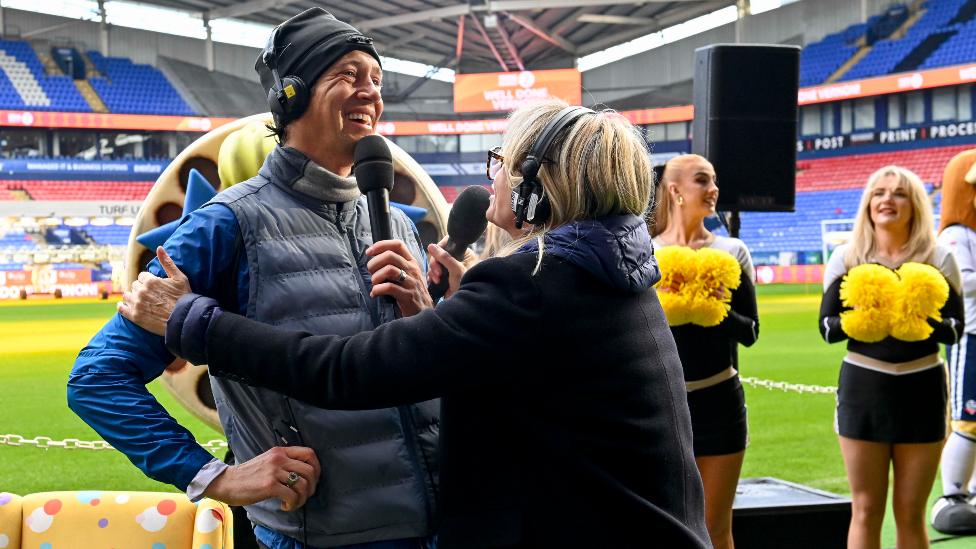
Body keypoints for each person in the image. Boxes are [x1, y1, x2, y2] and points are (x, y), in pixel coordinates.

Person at [119, 99, 712, 548]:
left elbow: (350, 371)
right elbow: (524, 383)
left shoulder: (528, 283)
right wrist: (438, 319)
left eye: (502, 164)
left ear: (539, 185)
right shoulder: (612, 268)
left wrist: (191, 319)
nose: (493, 179)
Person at [68, 8, 440, 549]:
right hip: (321, 536)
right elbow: (97, 378)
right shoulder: (226, 225)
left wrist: (428, 312)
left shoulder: (398, 223)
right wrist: (217, 477)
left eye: (377, 80)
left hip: (442, 525)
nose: (370, 93)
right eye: (349, 75)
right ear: (291, 95)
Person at [819, 165, 964, 549]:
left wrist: (913, 320)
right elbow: (827, 327)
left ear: (914, 204)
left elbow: (956, 328)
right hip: (864, 388)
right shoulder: (846, 258)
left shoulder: (940, 257)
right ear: (868, 204)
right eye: (879, 192)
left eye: (899, 193)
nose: (887, 200)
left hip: (924, 387)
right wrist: (872, 319)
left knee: (910, 511)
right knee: (865, 509)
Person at [650, 154, 758, 549]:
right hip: (659, 404)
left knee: (715, 525)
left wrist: (717, 308)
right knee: (665, 525)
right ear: (675, 190)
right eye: (702, 181)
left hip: (720, 402)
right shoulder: (645, 252)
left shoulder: (733, 252)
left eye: (713, 181)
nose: (713, 190)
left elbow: (751, 333)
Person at [932, 149, 976, 534]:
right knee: (968, 419)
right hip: (972, 336)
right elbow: (963, 283)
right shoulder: (956, 235)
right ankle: (952, 494)